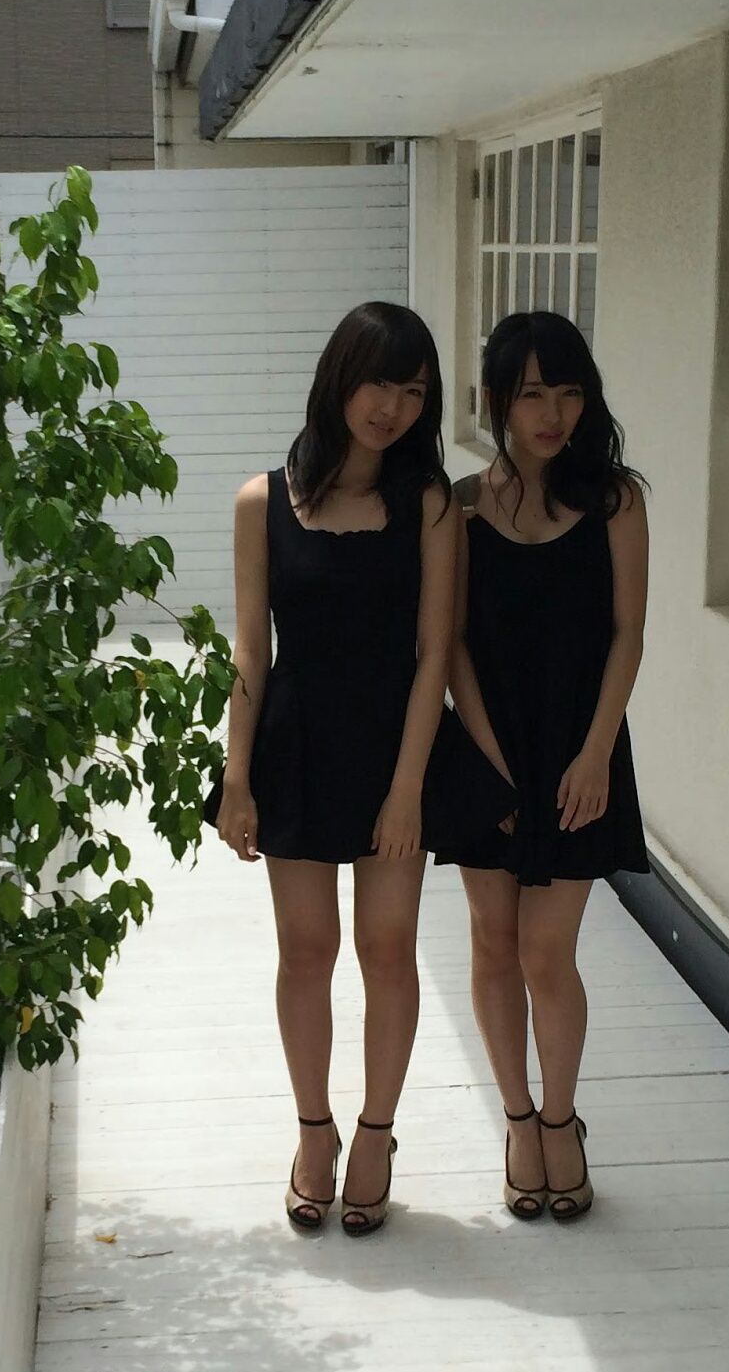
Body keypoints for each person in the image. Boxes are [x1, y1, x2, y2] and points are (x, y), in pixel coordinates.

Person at [204, 302, 512, 1237]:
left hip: (393, 746)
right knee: (306, 951)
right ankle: (314, 1133)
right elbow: (250, 653)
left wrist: (409, 789)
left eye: (414, 391)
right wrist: (236, 777)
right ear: (340, 377)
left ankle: (376, 1133)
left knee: (387, 949)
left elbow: (434, 653)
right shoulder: (261, 501)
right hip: (296, 745)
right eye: (380, 382)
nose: (392, 407)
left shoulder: (430, 506)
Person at [439, 310, 650, 1223]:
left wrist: (597, 751)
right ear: (498, 401)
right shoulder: (460, 505)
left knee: (545, 950)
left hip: (579, 751)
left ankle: (561, 1120)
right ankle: (518, 1122)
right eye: (533, 394)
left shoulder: (616, 501)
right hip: (489, 746)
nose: (553, 413)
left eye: (569, 392)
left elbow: (628, 633)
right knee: (492, 943)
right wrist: (487, 762)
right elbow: (450, 644)